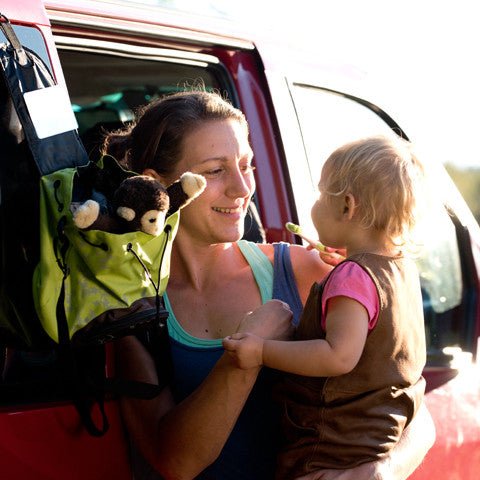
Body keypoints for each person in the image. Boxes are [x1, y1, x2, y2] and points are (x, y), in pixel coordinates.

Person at [110, 91, 435, 480]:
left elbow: (408, 397)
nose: (242, 188)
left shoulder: (308, 271)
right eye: (215, 171)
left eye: (246, 165)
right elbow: (175, 462)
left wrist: (382, 470)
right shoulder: (132, 311)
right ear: (158, 187)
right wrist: (243, 356)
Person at [223, 135, 429, 479]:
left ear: (347, 206)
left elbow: (338, 356)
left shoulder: (354, 276)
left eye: (321, 194)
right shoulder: (401, 270)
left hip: (325, 456)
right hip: (371, 445)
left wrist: (261, 351)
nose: (315, 204)